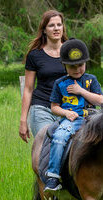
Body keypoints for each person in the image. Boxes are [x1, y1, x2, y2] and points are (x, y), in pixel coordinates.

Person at [44, 38, 103, 192]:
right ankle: (53, 177)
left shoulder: (91, 80)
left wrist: (81, 91)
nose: (77, 69)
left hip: (93, 119)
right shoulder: (60, 83)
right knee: (59, 137)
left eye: (80, 65)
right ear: (64, 66)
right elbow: (54, 107)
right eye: (72, 66)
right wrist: (65, 113)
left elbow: (100, 100)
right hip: (73, 119)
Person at [19, 10, 68, 143]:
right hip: (42, 108)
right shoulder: (35, 55)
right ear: (44, 30)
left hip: (68, 108)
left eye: (59, 24)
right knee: (47, 146)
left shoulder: (71, 51)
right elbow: (28, 89)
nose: (56, 28)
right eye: (52, 25)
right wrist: (23, 120)